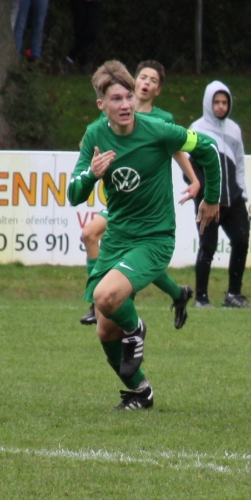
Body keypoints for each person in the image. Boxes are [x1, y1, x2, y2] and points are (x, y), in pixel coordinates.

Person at [69, 61, 222, 410]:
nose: (125, 105)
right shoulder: (94, 135)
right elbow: (74, 193)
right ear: (101, 105)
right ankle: (141, 392)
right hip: (117, 239)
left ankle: (136, 328)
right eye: (116, 99)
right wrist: (92, 174)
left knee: (106, 297)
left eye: (128, 97)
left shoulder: (159, 129)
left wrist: (211, 197)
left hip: (154, 238)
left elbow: (209, 149)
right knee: (105, 330)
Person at [77, 60, 197, 326]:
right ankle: (175, 294)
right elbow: (90, 144)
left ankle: (104, 303)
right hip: (121, 201)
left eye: (153, 80)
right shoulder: (110, 113)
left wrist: (194, 180)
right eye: (143, 77)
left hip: (145, 203)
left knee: (135, 253)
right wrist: (90, 163)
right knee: (89, 234)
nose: (146, 83)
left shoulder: (161, 120)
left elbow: (177, 150)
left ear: (157, 90)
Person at [192, 79, 251, 308]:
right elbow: (191, 168)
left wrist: (241, 191)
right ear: (208, 103)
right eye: (216, 102)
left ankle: (234, 294)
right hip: (208, 202)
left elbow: (240, 162)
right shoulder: (196, 129)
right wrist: (205, 194)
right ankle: (201, 298)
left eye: (224, 102)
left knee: (241, 241)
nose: (220, 106)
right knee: (208, 246)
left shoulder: (234, 129)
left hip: (233, 201)